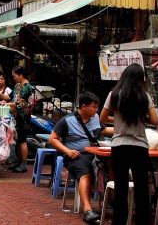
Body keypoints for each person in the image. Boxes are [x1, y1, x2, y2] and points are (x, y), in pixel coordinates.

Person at [100, 64, 158, 225]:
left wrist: (117, 118)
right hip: (139, 147)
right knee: (141, 189)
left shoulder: (114, 95)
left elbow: (102, 118)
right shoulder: (144, 96)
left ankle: (119, 222)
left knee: (121, 187)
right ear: (141, 79)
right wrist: (141, 118)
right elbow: (155, 120)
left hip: (119, 146)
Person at [49, 92, 113, 224]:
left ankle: (111, 202)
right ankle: (88, 211)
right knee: (85, 174)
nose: (96, 110)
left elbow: (103, 131)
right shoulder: (66, 120)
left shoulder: (95, 118)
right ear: (84, 106)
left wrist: (124, 129)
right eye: (94, 107)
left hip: (95, 153)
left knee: (114, 167)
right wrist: (67, 151)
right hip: (76, 155)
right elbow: (53, 139)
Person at [8, 66, 35, 173]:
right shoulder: (18, 86)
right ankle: (18, 162)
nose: (13, 78)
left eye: (14, 76)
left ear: (21, 75)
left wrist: (7, 104)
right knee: (18, 140)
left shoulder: (27, 87)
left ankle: (23, 164)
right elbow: (12, 98)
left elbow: (18, 103)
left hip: (23, 118)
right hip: (16, 117)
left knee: (22, 140)